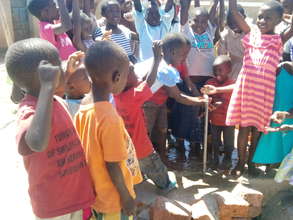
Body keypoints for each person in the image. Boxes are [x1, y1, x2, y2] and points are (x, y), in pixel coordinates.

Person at [6, 38, 95, 220]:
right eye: (59, 68)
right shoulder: (28, 111)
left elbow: (61, 91)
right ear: (46, 77)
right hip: (54, 207)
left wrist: (66, 74)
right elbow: (36, 143)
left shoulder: (56, 100)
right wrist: (48, 86)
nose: (62, 71)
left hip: (75, 196)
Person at [203, 0, 293, 176]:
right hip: (246, 93)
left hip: (264, 96)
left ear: (278, 21)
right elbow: (235, 13)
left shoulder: (278, 40)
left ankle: (251, 163)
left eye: (268, 18)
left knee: (257, 132)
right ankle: (241, 163)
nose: (262, 21)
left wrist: (289, 15)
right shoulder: (251, 34)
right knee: (243, 130)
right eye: (260, 16)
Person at [74, 41, 142, 219]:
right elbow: (112, 164)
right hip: (114, 200)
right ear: (117, 77)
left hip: (97, 193)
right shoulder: (109, 119)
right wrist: (126, 198)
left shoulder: (84, 108)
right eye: (127, 75)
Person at [114, 41, 176, 193]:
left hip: (128, 145)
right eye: (132, 71)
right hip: (142, 145)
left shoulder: (117, 95)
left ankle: (138, 179)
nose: (137, 73)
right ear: (121, 79)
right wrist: (156, 59)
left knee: (134, 164)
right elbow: (150, 81)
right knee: (156, 166)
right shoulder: (133, 96)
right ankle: (165, 185)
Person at [137, 33, 208, 159]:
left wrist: (200, 99)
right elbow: (178, 96)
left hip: (159, 102)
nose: (185, 58)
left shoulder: (161, 63)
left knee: (162, 130)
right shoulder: (164, 69)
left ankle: (163, 159)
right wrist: (201, 102)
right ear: (173, 52)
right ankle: (145, 163)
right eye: (183, 55)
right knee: (145, 133)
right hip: (146, 104)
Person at [253, 61, 293, 168]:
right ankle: (273, 160)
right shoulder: (282, 68)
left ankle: (281, 162)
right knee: (276, 129)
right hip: (278, 108)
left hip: (286, 112)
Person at [180, 0, 224, 88]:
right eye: (196, 21)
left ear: (207, 23)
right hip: (190, 82)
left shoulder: (209, 31)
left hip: (209, 81)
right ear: (189, 21)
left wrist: (216, 3)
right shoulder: (186, 32)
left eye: (203, 22)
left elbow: (214, 7)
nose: (199, 24)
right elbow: (184, 8)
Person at [202, 55, 235, 170]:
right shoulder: (210, 82)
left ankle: (228, 158)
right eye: (215, 70)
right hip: (214, 120)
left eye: (220, 70)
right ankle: (214, 159)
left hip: (228, 121)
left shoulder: (232, 83)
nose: (217, 72)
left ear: (229, 69)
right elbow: (205, 95)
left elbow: (232, 101)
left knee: (229, 142)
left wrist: (220, 103)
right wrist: (208, 102)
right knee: (215, 141)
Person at [217, 4, 247, 80]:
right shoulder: (225, 34)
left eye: (236, 20)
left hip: (249, 69)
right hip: (232, 70)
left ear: (244, 18)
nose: (233, 23)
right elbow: (221, 56)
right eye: (230, 20)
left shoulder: (250, 33)